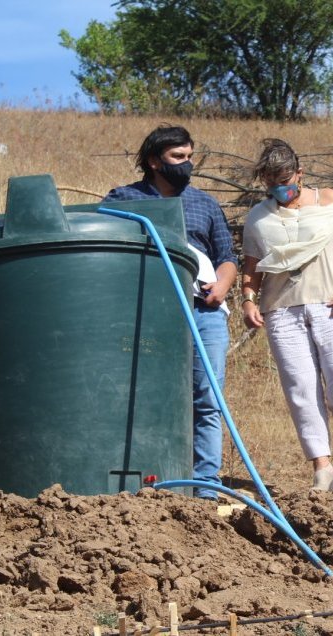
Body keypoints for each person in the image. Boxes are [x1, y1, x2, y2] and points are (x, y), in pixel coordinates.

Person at [103, 125, 239, 501]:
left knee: (207, 400)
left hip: (204, 313)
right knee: (145, 395)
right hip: (148, 313)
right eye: (177, 157)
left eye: (189, 156)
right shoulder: (124, 200)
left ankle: (205, 488)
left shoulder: (205, 203)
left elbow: (227, 256)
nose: (186, 164)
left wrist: (224, 285)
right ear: (153, 160)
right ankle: (147, 481)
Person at [239, 138, 333, 491]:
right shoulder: (258, 217)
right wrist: (249, 300)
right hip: (283, 310)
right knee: (301, 387)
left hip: (332, 305)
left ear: (299, 173)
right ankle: (323, 467)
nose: (281, 189)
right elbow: (252, 266)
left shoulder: (329, 200)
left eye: (285, 181)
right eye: (272, 184)